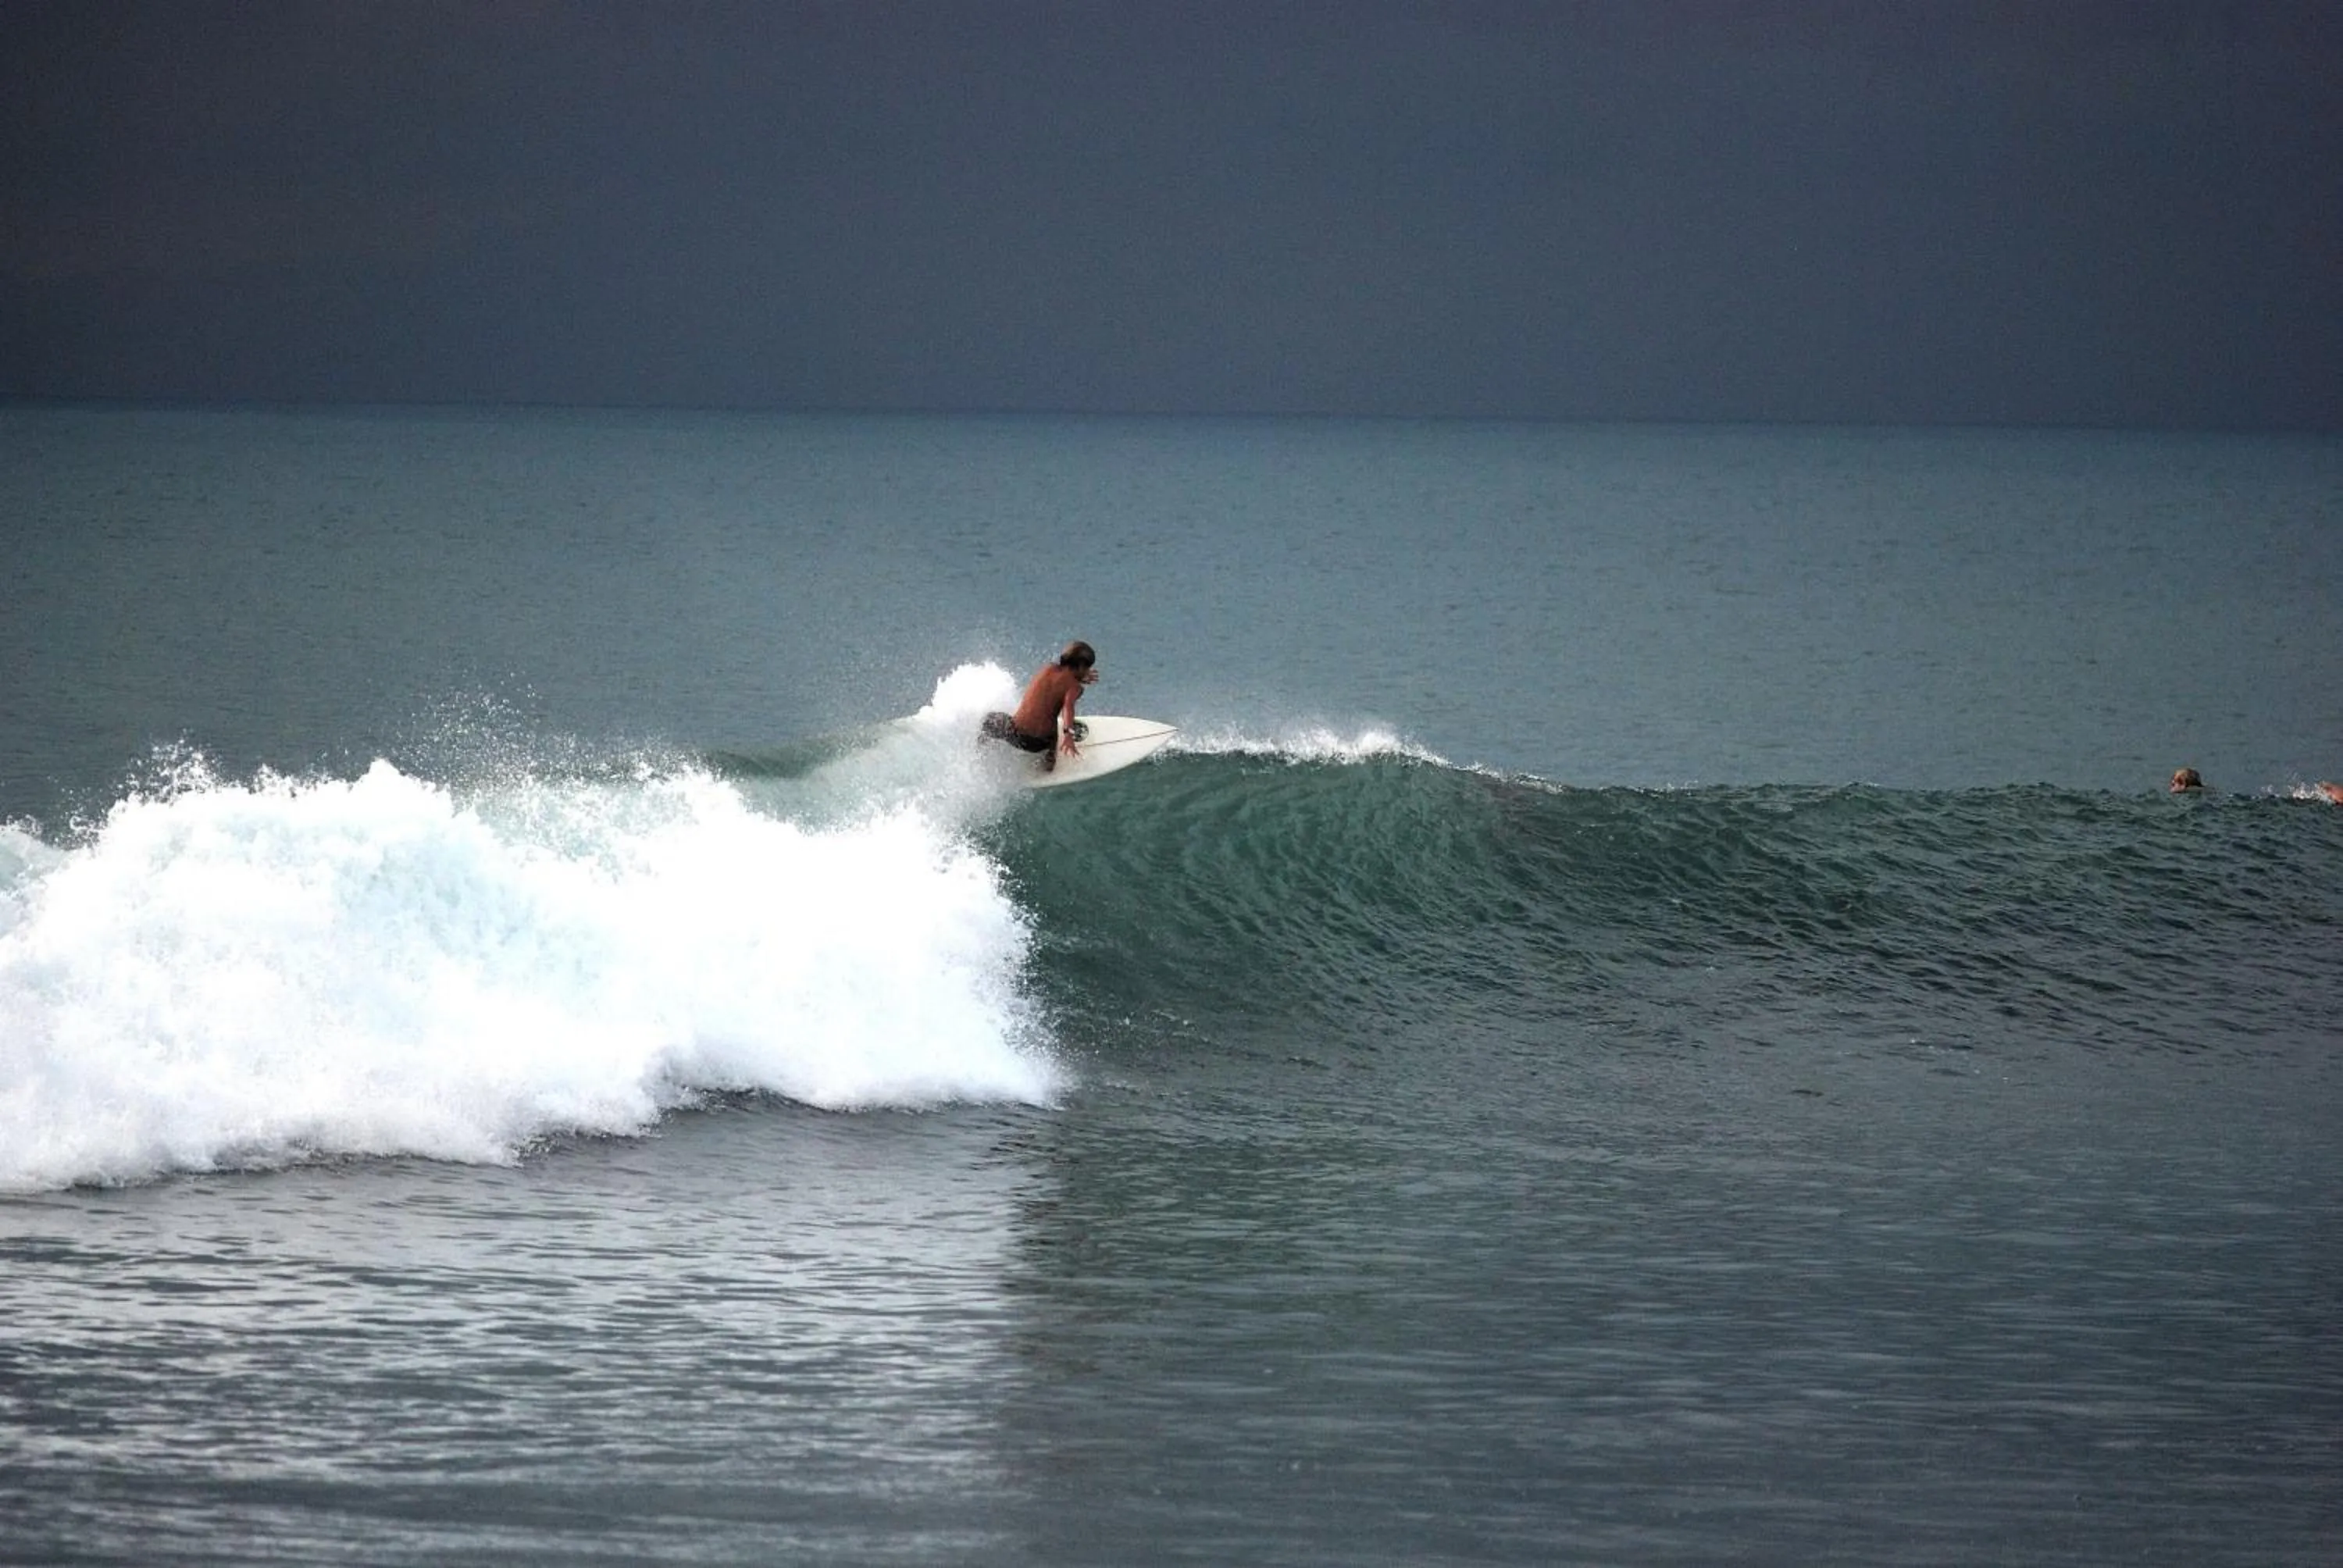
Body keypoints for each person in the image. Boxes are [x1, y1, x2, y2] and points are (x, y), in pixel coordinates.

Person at [980, 641, 1098, 772]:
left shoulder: (1048, 669)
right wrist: (1068, 736)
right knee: (1053, 729)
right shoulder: (1075, 687)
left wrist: (1079, 677)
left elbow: (1056, 685)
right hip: (1037, 743)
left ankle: (980, 758)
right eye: (1087, 668)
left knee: (988, 720)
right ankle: (1049, 763)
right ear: (1081, 666)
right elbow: (1068, 708)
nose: (1088, 671)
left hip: (1015, 733)